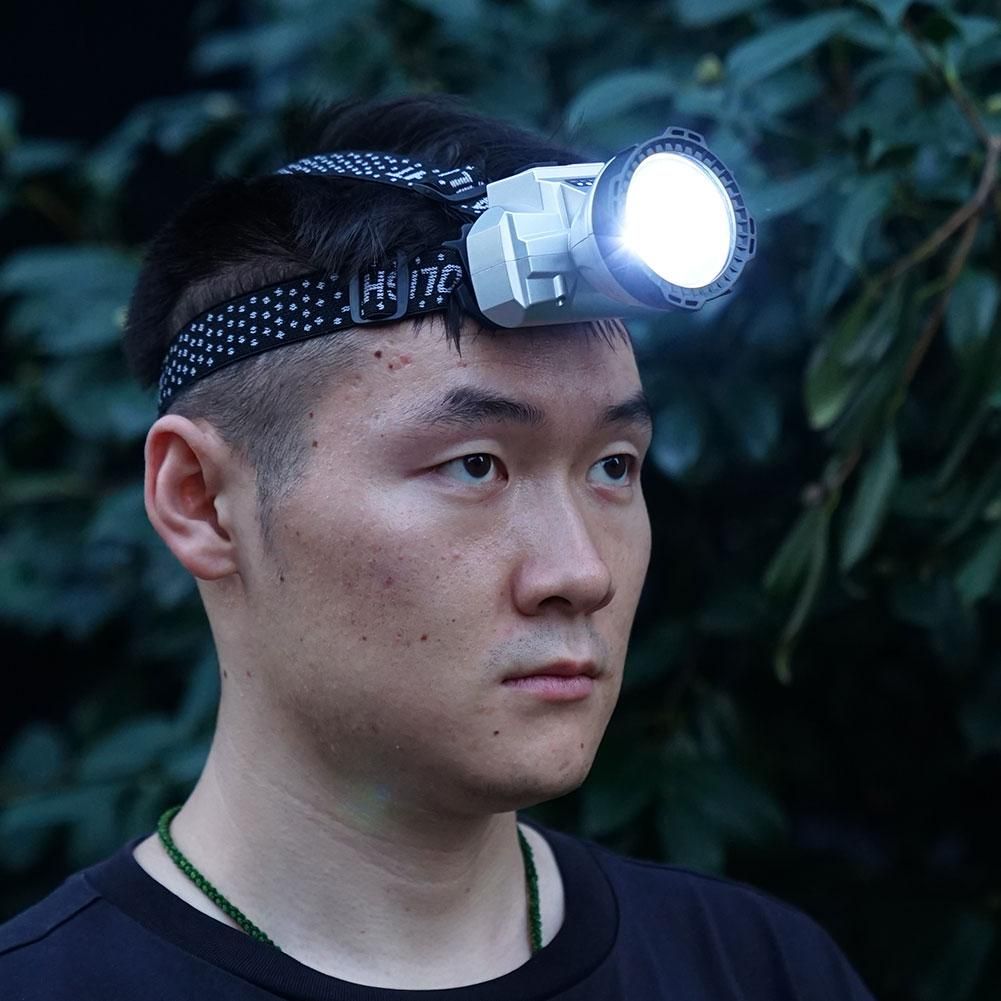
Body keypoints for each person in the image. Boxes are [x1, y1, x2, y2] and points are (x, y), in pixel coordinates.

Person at [0, 95, 876, 1000]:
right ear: (203, 502)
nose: (579, 572)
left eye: (612, 466)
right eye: (474, 466)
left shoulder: (759, 971)